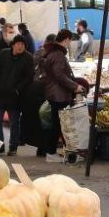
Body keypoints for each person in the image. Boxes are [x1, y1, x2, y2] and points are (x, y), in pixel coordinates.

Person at [41, 29, 84, 162]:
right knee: (60, 125)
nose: (70, 43)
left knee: (59, 125)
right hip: (59, 95)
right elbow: (60, 75)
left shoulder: (53, 53)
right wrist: (75, 86)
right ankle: (52, 153)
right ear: (66, 39)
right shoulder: (58, 55)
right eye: (70, 40)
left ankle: (60, 152)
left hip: (55, 94)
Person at [0, 37, 35, 156]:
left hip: (15, 97)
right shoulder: (4, 53)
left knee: (14, 122)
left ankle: (13, 146)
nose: (20, 46)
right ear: (13, 45)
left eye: (23, 45)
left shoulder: (28, 58)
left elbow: (29, 77)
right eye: (18, 44)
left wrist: (18, 89)